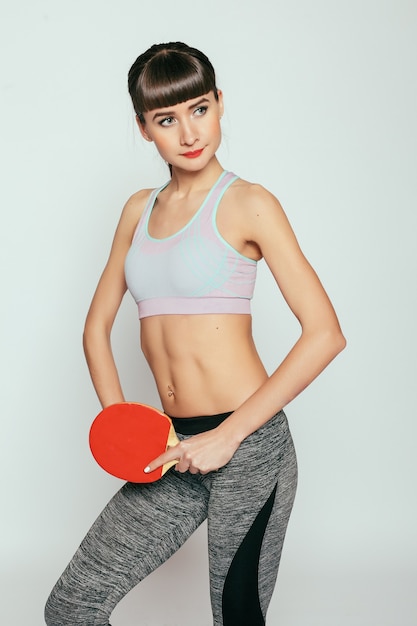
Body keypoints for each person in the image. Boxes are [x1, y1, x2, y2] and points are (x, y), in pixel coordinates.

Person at [44, 41, 346, 626]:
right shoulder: (138, 209)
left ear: (219, 104)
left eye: (199, 109)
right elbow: (95, 328)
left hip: (250, 446)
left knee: (235, 617)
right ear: (143, 128)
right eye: (166, 118)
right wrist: (126, 432)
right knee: (72, 608)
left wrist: (228, 437)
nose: (188, 131)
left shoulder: (249, 203)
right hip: (171, 446)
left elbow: (325, 334)